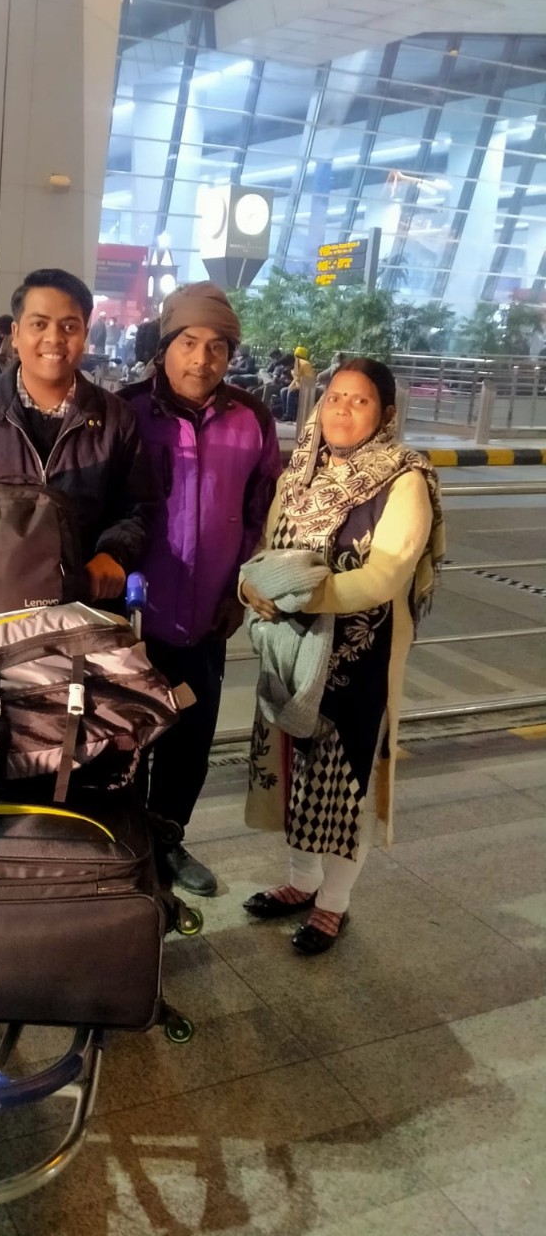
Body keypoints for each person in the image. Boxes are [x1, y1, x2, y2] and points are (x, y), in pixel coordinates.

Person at [240, 358, 444, 953]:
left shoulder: (403, 477)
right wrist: (249, 588)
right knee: (295, 766)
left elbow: (385, 574)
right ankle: (301, 881)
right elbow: (264, 548)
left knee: (343, 777)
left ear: (385, 413)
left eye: (359, 401)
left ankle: (334, 903)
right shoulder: (298, 472)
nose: (342, 410)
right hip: (291, 650)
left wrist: (300, 595)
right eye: (334, 398)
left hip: (360, 657)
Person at [121, 282, 282, 896]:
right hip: (131, 621)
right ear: (165, 345)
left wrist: (242, 585)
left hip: (207, 621)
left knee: (190, 739)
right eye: (188, 342)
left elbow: (263, 508)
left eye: (218, 347)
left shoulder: (250, 418)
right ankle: (124, 850)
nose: (202, 358)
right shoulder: (126, 411)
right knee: (127, 740)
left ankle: (168, 844)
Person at [0, 267, 156, 613]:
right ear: (16, 333)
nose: (54, 338)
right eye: (39, 324)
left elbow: (135, 508)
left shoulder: (116, 418)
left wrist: (112, 553)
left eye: (69, 326)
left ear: (85, 334)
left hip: (77, 610)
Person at [281, 345, 316, 421]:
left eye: (287, 366)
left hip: (307, 387)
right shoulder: (293, 365)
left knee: (291, 392)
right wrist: (291, 386)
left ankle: (290, 415)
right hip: (298, 386)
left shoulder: (305, 364)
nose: (287, 368)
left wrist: (295, 387)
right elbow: (296, 379)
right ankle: (285, 414)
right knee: (283, 391)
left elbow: (309, 380)